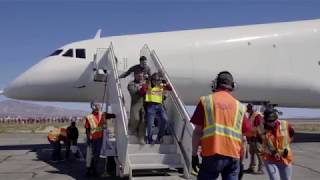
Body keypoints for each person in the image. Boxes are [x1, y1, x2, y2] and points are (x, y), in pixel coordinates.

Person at [191, 71, 252, 180]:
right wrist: (241, 162)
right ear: (232, 86)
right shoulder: (240, 107)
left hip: (211, 153)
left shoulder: (206, 101)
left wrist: (194, 155)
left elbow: (197, 132)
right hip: (233, 156)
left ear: (216, 84)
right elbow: (243, 138)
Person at [256, 107, 294, 180]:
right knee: (274, 178)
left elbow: (291, 135)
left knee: (286, 178)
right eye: (269, 121)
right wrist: (272, 152)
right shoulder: (261, 128)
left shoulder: (285, 125)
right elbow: (260, 143)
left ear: (276, 118)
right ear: (265, 120)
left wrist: (286, 147)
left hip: (285, 158)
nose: (271, 123)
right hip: (269, 158)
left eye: (273, 120)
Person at [85, 102, 116, 177]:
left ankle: (94, 170)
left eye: (99, 105)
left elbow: (113, 115)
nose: (98, 106)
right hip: (92, 139)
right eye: (96, 105)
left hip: (99, 138)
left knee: (96, 155)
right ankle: (90, 169)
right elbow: (87, 129)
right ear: (93, 107)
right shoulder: (89, 117)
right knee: (91, 155)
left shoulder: (103, 114)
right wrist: (89, 139)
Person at [140, 72, 172, 144]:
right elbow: (142, 91)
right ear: (151, 79)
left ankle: (159, 137)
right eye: (154, 80)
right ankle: (150, 139)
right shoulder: (148, 85)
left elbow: (170, 88)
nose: (156, 81)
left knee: (165, 120)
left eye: (157, 80)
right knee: (150, 124)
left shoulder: (160, 85)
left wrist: (165, 82)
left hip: (160, 106)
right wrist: (147, 83)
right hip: (150, 106)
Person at [244, 103, 264, 174]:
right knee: (252, 153)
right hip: (252, 138)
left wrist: (260, 137)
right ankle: (252, 168)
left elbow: (259, 127)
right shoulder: (251, 115)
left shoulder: (257, 115)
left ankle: (261, 169)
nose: (248, 110)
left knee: (259, 154)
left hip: (256, 138)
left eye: (249, 109)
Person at [128, 71, 146, 144]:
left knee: (143, 121)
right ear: (135, 76)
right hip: (136, 103)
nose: (140, 77)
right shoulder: (131, 84)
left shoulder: (146, 83)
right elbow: (133, 93)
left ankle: (141, 137)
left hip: (144, 104)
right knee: (136, 119)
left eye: (141, 76)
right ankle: (133, 128)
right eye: (138, 76)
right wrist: (140, 87)